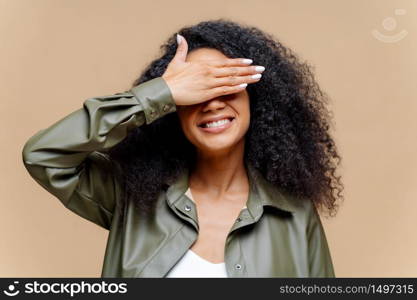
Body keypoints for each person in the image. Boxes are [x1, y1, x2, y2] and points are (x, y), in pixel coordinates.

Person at [22, 19, 343, 278]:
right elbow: (44, 155)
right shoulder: (130, 196)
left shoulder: (294, 213)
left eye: (226, 85)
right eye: (196, 91)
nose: (213, 103)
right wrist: (160, 92)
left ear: (255, 101)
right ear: (174, 108)